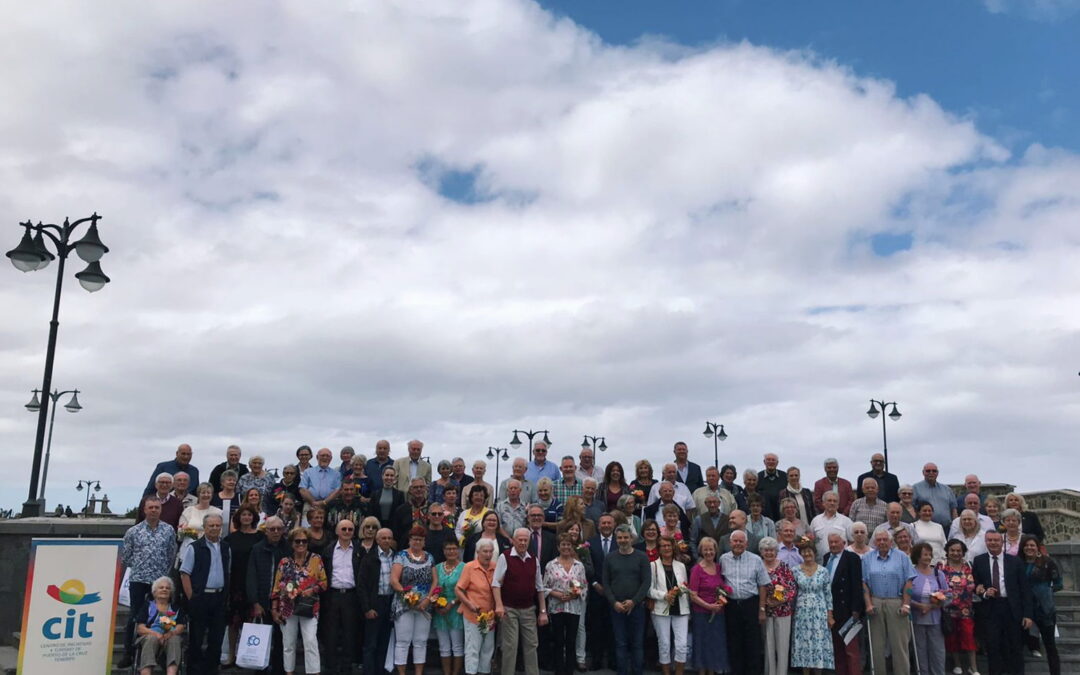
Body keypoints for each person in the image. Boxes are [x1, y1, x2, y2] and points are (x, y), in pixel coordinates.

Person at [119, 497, 178, 670]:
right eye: (150, 507)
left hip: (159, 581)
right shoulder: (133, 531)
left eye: (157, 507)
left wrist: (161, 572)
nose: (154, 510)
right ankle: (128, 653)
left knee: (163, 614)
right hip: (138, 579)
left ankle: (162, 651)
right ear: (144, 510)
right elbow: (126, 557)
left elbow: (170, 554)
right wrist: (140, 567)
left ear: (161, 510)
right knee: (135, 615)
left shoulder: (168, 531)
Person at [972, 530, 1034, 675]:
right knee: (993, 648)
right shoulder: (979, 561)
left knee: (1015, 647)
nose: (993, 543)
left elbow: (1024, 589)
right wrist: (984, 591)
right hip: (990, 609)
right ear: (986, 542)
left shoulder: (1015, 561)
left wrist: (1028, 614)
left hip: (1011, 609)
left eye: (996, 540)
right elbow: (976, 585)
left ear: (1002, 542)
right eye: (990, 540)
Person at [271, 526, 327, 675]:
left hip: (309, 607)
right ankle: (289, 672)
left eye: (304, 541)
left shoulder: (316, 559)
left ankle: (313, 672)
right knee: (288, 643)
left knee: (310, 641)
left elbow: (324, 583)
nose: (301, 544)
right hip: (287, 608)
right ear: (291, 543)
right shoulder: (284, 562)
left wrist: (312, 590)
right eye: (297, 541)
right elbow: (276, 587)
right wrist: (274, 609)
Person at [493, 527, 549, 675]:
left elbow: (540, 587)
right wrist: (499, 605)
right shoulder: (504, 557)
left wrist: (543, 611)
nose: (523, 543)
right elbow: (496, 584)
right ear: (514, 540)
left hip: (529, 609)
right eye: (520, 540)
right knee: (510, 646)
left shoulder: (533, 559)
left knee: (531, 645)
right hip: (509, 609)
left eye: (526, 540)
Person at [180, 513, 231, 675]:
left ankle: (211, 670)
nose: (215, 528)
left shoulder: (226, 547)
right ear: (204, 527)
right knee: (196, 638)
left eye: (217, 525)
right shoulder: (194, 547)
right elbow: (184, 573)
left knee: (216, 639)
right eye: (211, 526)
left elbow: (228, 571)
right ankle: (194, 671)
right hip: (200, 598)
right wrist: (192, 598)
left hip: (219, 598)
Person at [862, 529, 915, 675]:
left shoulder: (902, 557)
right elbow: (864, 583)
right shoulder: (867, 558)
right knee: (877, 645)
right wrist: (868, 604)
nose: (882, 542)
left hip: (896, 602)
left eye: (885, 539)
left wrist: (906, 604)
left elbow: (909, 582)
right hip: (876, 602)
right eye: (879, 540)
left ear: (891, 542)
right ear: (874, 542)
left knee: (899, 644)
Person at [719, 529, 770, 675]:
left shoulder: (756, 559)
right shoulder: (723, 559)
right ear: (730, 543)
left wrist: (761, 609)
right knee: (734, 642)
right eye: (735, 541)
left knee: (752, 643)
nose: (738, 544)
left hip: (751, 605)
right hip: (732, 606)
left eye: (741, 541)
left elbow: (762, 585)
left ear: (746, 544)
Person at [603, 523, 650, 675]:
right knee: (620, 643)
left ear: (632, 538)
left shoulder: (642, 557)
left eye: (626, 537)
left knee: (637, 643)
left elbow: (646, 582)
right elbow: (606, 583)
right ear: (616, 539)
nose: (623, 540)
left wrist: (634, 601)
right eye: (620, 538)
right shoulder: (610, 558)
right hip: (616, 607)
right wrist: (614, 602)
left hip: (636, 607)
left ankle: (637, 671)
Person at [246, 516, 290, 675]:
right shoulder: (257, 549)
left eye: (279, 529)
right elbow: (251, 576)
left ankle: (279, 670)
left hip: (283, 603)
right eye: (272, 529)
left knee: (281, 640)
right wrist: (255, 602)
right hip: (263, 601)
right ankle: (261, 670)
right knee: (262, 639)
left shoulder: (288, 549)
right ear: (266, 531)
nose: (276, 532)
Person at [391, 525, 436, 674]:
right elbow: (394, 580)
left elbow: (435, 581)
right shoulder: (400, 556)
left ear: (424, 542)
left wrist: (428, 599)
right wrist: (408, 598)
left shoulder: (430, 557)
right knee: (403, 641)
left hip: (424, 605)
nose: (417, 542)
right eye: (415, 539)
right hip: (405, 604)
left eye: (420, 539)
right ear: (409, 540)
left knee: (421, 641)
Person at [321, 519, 363, 675]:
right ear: (337, 531)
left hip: (351, 596)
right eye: (344, 529)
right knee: (330, 633)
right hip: (332, 595)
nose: (347, 532)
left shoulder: (359, 549)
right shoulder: (328, 550)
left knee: (349, 633)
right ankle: (330, 667)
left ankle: (347, 667)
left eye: (350, 529)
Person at [545, 533, 589, 675]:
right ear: (558, 547)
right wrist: (556, 594)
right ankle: (559, 670)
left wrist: (574, 594)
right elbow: (544, 587)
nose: (566, 547)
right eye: (563, 544)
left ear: (572, 547)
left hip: (574, 608)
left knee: (571, 641)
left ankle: (569, 670)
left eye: (568, 544)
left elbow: (583, 585)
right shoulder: (551, 565)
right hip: (557, 607)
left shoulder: (579, 565)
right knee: (558, 640)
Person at [224, 505, 262, 668]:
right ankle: (232, 655)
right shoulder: (230, 538)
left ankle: (247, 656)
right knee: (233, 622)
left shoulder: (261, 537)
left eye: (249, 515)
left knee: (250, 621)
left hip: (254, 583)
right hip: (235, 584)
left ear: (254, 517)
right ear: (238, 518)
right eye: (243, 515)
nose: (246, 517)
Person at [688, 535, 731, 675]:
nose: (708, 553)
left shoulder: (718, 567)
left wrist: (726, 591)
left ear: (715, 550)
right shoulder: (696, 569)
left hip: (717, 615)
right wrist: (709, 606)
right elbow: (692, 595)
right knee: (703, 645)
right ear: (701, 551)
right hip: (701, 614)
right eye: (705, 550)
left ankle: (712, 672)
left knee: (714, 645)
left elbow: (722, 586)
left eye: (711, 550)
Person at [647, 536, 690, 675]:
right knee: (664, 644)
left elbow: (685, 586)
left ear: (673, 547)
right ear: (658, 549)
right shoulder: (653, 566)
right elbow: (649, 590)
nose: (666, 548)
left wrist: (680, 591)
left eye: (668, 545)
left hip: (681, 609)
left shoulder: (681, 566)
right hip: (661, 609)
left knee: (682, 645)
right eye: (663, 546)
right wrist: (665, 595)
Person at [791, 537, 834, 673]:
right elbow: (792, 592)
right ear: (801, 554)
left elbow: (828, 594)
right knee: (804, 644)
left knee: (818, 644)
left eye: (809, 551)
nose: (807, 554)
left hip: (819, 612)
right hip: (802, 612)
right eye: (804, 552)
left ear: (814, 553)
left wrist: (830, 615)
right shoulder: (795, 571)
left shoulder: (823, 571)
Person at [455, 538, 497, 675]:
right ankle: (471, 672)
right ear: (478, 552)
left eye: (491, 551)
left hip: (490, 615)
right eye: (485, 551)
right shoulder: (470, 567)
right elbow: (458, 589)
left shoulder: (495, 567)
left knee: (488, 648)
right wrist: (469, 604)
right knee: (473, 648)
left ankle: (484, 672)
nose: (488, 554)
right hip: (473, 614)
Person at [1021, 534, 1062, 675]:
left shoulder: (1047, 562)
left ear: (1038, 547)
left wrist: (1044, 591)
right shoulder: (1018, 563)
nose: (1029, 548)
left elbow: (1058, 584)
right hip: (1024, 610)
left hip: (1044, 610)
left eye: (1032, 545)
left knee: (1050, 646)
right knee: (1019, 644)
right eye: (1026, 545)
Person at [824, 531, 863, 675]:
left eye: (836, 542)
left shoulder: (852, 558)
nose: (833, 545)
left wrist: (856, 610)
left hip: (848, 611)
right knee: (837, 650)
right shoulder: (826, 557)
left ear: (844, 543)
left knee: (851, 651)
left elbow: (857, 585)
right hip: (832, 611)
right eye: (831, 542)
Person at [359, 528, 397, 675]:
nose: (387, 541)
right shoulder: (369, 558)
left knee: (384, 643)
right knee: (370, 644)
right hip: (375, 603)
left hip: (390, 602)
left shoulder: (397, 557)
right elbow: (361, 586)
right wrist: (367, 608)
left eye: (389, 538)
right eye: (383, 538)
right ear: (377, 540)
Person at [938, 539, 978, 675]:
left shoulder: (969, 566)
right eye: (952, 550)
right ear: (947, 552)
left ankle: (973, 667)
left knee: (969, 636)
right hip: (948, 610)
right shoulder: (941, 567)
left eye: (958, 551)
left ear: (963, 552)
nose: (955, 553)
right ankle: (957, 665)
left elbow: (976, 584)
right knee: (952, 638)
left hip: (966, 610)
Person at [909, 542, 949, 675]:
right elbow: (905, 595)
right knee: (920, 650)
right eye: (924, 554)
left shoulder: (939, 574)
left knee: (937, 650)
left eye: (929, 554)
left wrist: (933, 605)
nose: (928, 557)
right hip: (917, 618)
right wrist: (919, 606)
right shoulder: (911, 573)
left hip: (935, 618)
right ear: (917, 556)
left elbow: (947, 595)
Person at [133, 576, 186, 675]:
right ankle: (145, 672)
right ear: (154, 592)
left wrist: (171, 633)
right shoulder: (148, 606)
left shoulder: (175, 609)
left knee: (174, 639)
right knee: (151, 639)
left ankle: (171, 673)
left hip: (169, 637)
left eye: (167, 588)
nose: (164, 589)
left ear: (171, 593)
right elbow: (140, 628)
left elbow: (181, 626)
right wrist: (156, 634)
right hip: (149, 636)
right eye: (161, 587)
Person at [759, 536, 797, 675]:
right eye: (766, 550)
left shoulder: (784, 566)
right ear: (761, 552)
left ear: (776, 551)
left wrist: (781, 600)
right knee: (768, 645)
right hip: (766, 611)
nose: (769, 553)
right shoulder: (758, 566)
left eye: (772, 550)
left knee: (782, 646)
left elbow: (792, 587)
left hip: (783, 610)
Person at [587, 513, 617, 671]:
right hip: (596, 591)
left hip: (615, 593)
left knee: (613, 627)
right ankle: (596, 660)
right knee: (596, 627)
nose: (606, 525)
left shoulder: (620, 542)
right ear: (598, 526)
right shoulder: (590, 543)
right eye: (603, 523)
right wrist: (594, 583)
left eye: (609, 523)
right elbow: (587, 566)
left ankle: (613, 660)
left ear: (614, 525)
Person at [433, 539, 465, 675]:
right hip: (440, 610)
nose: (451, 551)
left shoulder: (464, 567)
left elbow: (466, 590)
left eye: (453, 548)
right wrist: (435, 602)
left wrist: (452, 603)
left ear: (458, 550)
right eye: (448, 549)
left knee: (457, 646)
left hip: (456, 609)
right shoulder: (437, 567)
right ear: (444, 551)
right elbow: (434, 587)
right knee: (444, 646)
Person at [178, 483, 223, 560]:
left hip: (209, 551)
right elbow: (180, 532)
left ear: (212, 495)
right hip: (188, 551)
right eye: (203, 492)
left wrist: (190, 531)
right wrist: (200, 533)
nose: (206, 495)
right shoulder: (188, 511)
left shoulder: (218, 512)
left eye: (208, 492)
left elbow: (219, 534)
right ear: (198, 494)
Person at [810, 492, 853, 559]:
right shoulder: (815, 521)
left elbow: (852, 542)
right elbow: (811, 542)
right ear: (823, 503)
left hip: (841, 562)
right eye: (829, 500)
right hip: (820, 562)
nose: (832, 503)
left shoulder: (846, 521)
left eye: (835, 501)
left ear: (838, 505)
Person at [913, 463, 957, 529]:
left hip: (947, 528)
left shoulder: (947, 489)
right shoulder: (915, 488)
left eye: (934, 471)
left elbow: (953, 510)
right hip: (925, 528)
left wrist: (956, 526)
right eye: (928, 471)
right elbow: (912, 508)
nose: (931, 473)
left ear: (937, 473)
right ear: (923, 472)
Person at [300, 448, 343, 513]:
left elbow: (337, 491)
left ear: (331, 459)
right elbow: (302, 489)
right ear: (317, 457)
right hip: (310, 505)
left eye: (327, 456)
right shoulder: (308, 472)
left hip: (329, 505)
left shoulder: (337, 474)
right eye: (322, 455)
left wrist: (324, 502)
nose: (325, 458)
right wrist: (313, 502)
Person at [392, 478, 431, 547]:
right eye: (415, 487)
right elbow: (396, 534)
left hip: (428, 547)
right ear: (410, 490)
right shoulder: (401, 510)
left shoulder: (432, 509)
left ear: (426, 489)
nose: (419, 489)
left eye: (421, 487)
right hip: (406, 548)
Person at [757, 453, 788, 520]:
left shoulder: (785, 476)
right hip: (764, 515)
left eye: (773, 460)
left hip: (782, 515)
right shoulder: (758, 477)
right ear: (764, 462)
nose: (771, 462)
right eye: (768, 460)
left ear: (777, 463)